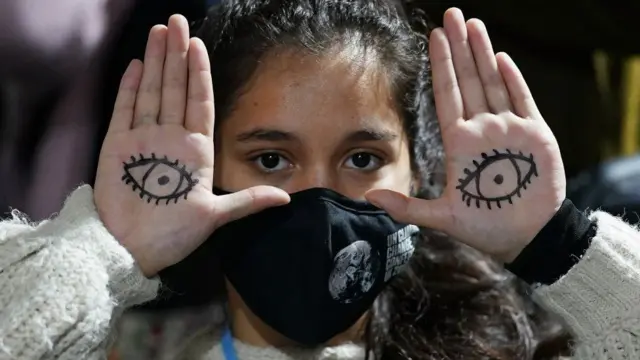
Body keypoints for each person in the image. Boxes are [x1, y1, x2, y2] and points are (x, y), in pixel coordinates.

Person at [1, 0, 639, 359]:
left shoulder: (509, 350)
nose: (316, 199)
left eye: (361, 159)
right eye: (271, 159)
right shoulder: (118, 349)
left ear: (418, 174)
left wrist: (563, 246)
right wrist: (100, 253)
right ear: (207, 172)